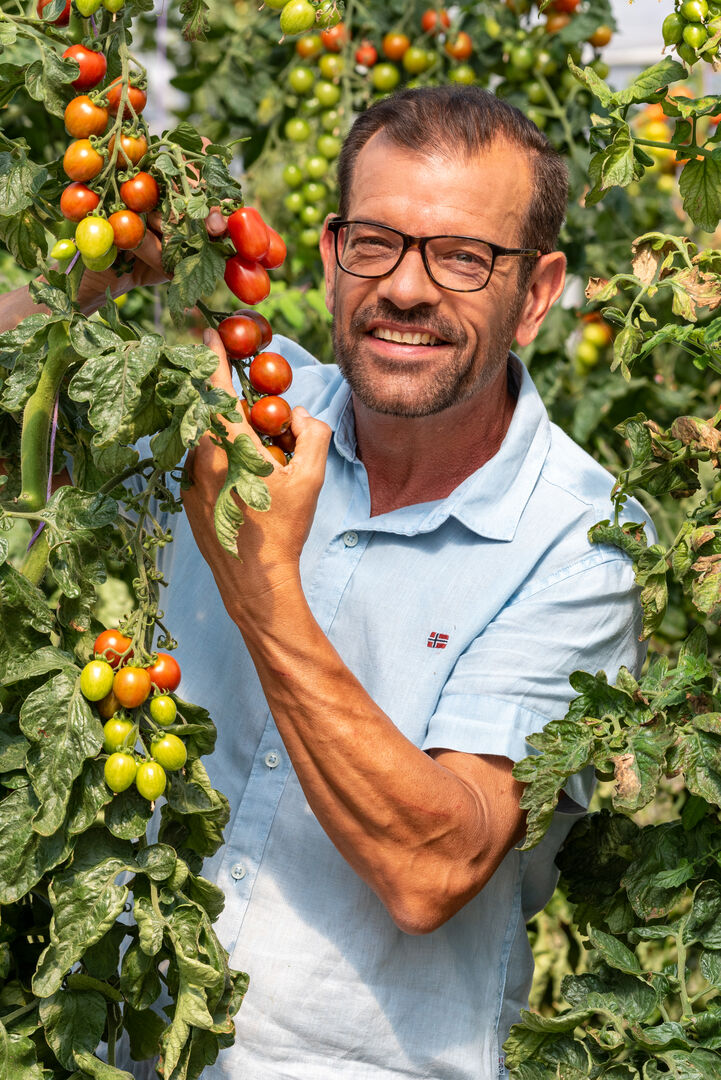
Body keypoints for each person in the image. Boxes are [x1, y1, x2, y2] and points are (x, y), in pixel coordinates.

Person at [0, 86, 648, 1080]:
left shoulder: (582, 543)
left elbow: (435, 865)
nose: (406, 287)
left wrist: (261, 590)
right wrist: (79, 277)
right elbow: (27, 401)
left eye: (463, 255)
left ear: (537, 291)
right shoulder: (238, 409)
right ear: (332, 252)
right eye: (376, 242)